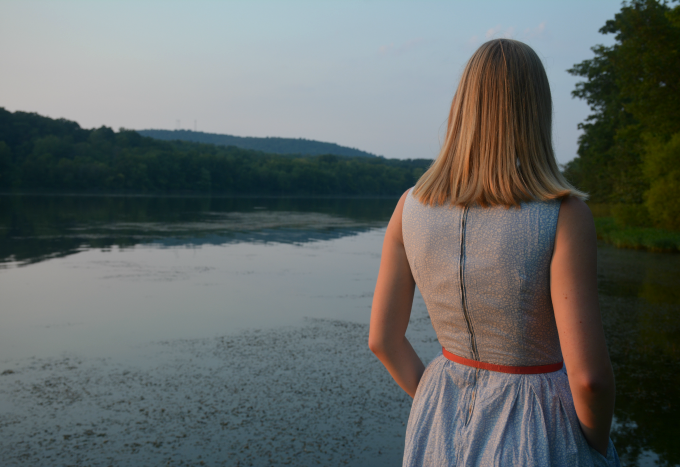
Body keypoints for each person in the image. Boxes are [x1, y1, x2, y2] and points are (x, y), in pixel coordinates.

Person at [368, 39, 620, 466]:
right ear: (535, 112)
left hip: (438, 418)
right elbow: (590, 380)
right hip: (539, 427)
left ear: (462, 107)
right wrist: (595, 447)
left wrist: (435, 398)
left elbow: (383, 340)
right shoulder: (562, 214)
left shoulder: (408, 207)